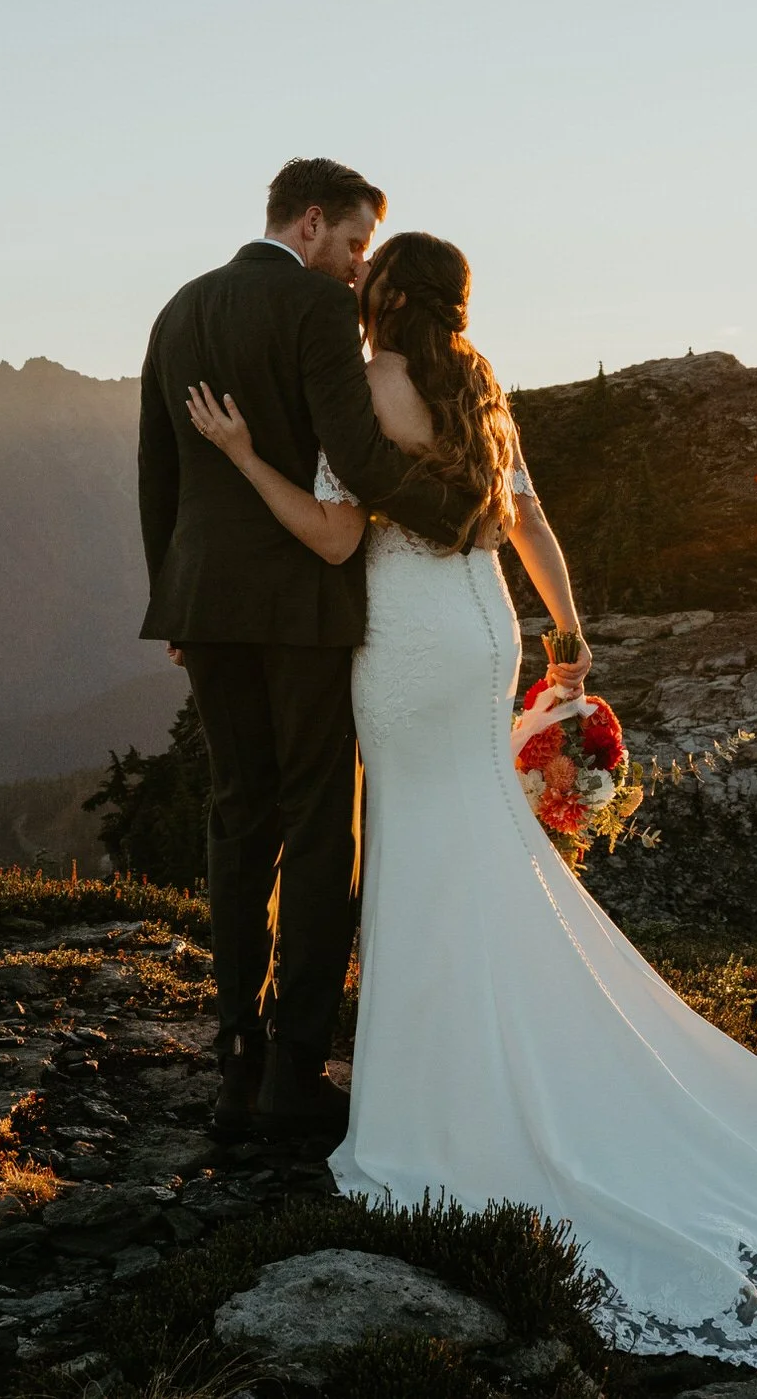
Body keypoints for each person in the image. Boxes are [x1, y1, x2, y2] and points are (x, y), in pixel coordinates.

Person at [178, 225, 757, 1370]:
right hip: (482, 636)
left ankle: (438, 1097)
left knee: (420, 847)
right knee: (477, 840)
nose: (352, 291)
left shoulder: (362, 391)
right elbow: (529, 524)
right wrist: (568, 635)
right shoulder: (480, 388)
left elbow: (328, 533)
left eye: (365, 280)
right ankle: (508, 1048)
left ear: (388, 296)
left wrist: (238, 454)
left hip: (407, 646)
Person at [137, 158, 481, 1147]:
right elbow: (362, 460)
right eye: (356, 244)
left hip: (205, 596)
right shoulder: (314, 310)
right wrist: (462, 515)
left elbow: (159, 464)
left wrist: (174, 597)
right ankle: (294, 1071)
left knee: (237, 815)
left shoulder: (181, 308)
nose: (356, 268)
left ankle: (233, 1061)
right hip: (302, 599)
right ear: (316, 220)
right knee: (321, 825)